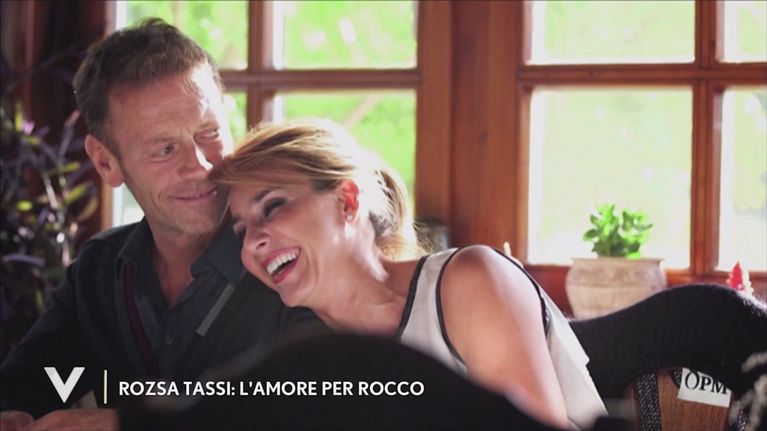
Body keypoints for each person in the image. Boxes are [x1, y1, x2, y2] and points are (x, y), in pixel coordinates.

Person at [0, 20, 318, 430]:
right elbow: (25, 386)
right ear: (105, 162)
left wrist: (128, 424)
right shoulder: (98, 273)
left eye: (209, 133)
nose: (199, 166)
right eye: (165, 149)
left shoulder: (291, 263)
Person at [210, 120, 608, 429]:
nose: (254, 242)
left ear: (347, 201)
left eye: (273, 206)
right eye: (242, 231)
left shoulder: (470, 281)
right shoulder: (300, 358)